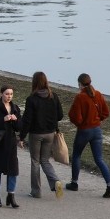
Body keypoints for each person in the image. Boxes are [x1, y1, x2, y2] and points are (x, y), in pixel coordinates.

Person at [68, 73, 110, 198]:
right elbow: (106, 112)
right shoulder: (98, 94)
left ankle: (74, 183)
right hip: (97, 130)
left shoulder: (80, 97)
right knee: (99, 159)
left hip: (84, 131)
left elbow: (75, 116)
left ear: (80, 84)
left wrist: (80, 123)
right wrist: (98, 119)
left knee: (77, 155)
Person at [19, 71, 65, 199]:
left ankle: (36, 191)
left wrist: (21, 137)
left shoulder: (31, 99)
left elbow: (27, 120)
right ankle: (55, 181)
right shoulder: (53, 96)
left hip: (36, 134)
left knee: (35, 161)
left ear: (34, 82)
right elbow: (60, 115)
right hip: (50, 133)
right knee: (45, 160)